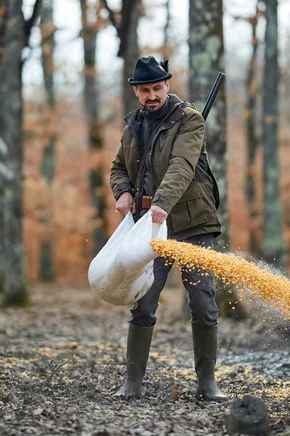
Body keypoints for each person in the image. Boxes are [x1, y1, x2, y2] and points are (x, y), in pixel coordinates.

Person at [110, 55, 227, 402]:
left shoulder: (189, 120)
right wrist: (124, 191)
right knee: (143, 302)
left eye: (157, 88)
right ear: (136, 92)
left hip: (192, 223)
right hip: (149, 230)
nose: (152, 96)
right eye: (145, 90)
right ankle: (132, 383)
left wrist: (161, 202)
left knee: (203, 302)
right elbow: (119, 167)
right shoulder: (133, 125)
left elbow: (182, 165)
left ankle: (207, 384)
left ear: (167, 86)